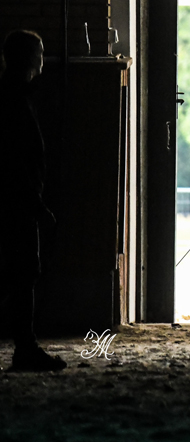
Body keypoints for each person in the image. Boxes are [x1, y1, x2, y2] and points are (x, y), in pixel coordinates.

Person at [0, 30, 66, 372]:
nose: (44, 58)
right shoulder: (16, 101)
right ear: (31, 59)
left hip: (17, 199)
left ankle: (25, 345)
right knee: (23, 273)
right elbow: (16, 161)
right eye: (40, 52)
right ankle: (25, 348)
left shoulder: (12, 96)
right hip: (18, 202)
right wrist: (36, 202)